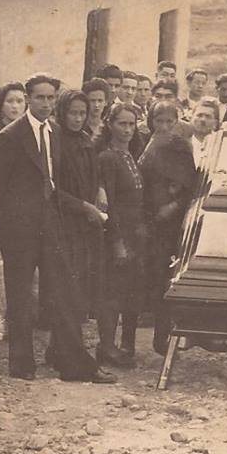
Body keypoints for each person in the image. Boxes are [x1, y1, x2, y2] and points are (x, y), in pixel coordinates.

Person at [0, 75, 107, 383]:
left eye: (51, 98)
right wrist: (3, 231)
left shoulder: (54, 131)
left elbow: (52, 183)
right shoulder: (11, 136)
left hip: (50, 225)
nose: (46, 104)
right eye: (40, 98)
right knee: (20, 296)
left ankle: (73, 363)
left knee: (62, 291)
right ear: (28, 98)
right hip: (19, 229)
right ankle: (22, 364)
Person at [138, 98, 200, 358]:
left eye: (169, 122)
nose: (163, 126)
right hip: (150, 217)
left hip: (172, 222)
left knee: (169, 275)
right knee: (151, 275)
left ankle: (165, 334)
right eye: (158, 121)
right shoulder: (148, 146)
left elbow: (189, 187)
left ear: (177, 123)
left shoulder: (181, 148)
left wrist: (172, 207)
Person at [95, 102, 146, 368]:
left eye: (131, 124)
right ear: (110, 125)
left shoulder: (131, 155)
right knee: (112, 293)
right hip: (118, 235)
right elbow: (110, 204)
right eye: (122, 124)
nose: (127, 130)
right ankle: (106, 346)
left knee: (131, 291)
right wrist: (117, 242)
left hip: (135, 234)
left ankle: (127, 344)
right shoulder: (107, 158)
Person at [52, 87, 108, 331]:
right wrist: (83, 206)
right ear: (62, 113)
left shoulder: (85, 139)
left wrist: (99, 190)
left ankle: (65, 345)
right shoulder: (55, 141)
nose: (77, 119)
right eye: (72, 113)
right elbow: (53, 189)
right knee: (68, 286)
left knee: (84, 282)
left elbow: (93, 175)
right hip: (66, 222)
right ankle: (66, 345)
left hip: (87, 221)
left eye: (82, 113)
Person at [187, 98, 222, 173]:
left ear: (215, 123)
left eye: (208, 116)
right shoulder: (182, 145)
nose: (203, 120)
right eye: (199, 115)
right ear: (191, 118)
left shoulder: (221, 148)